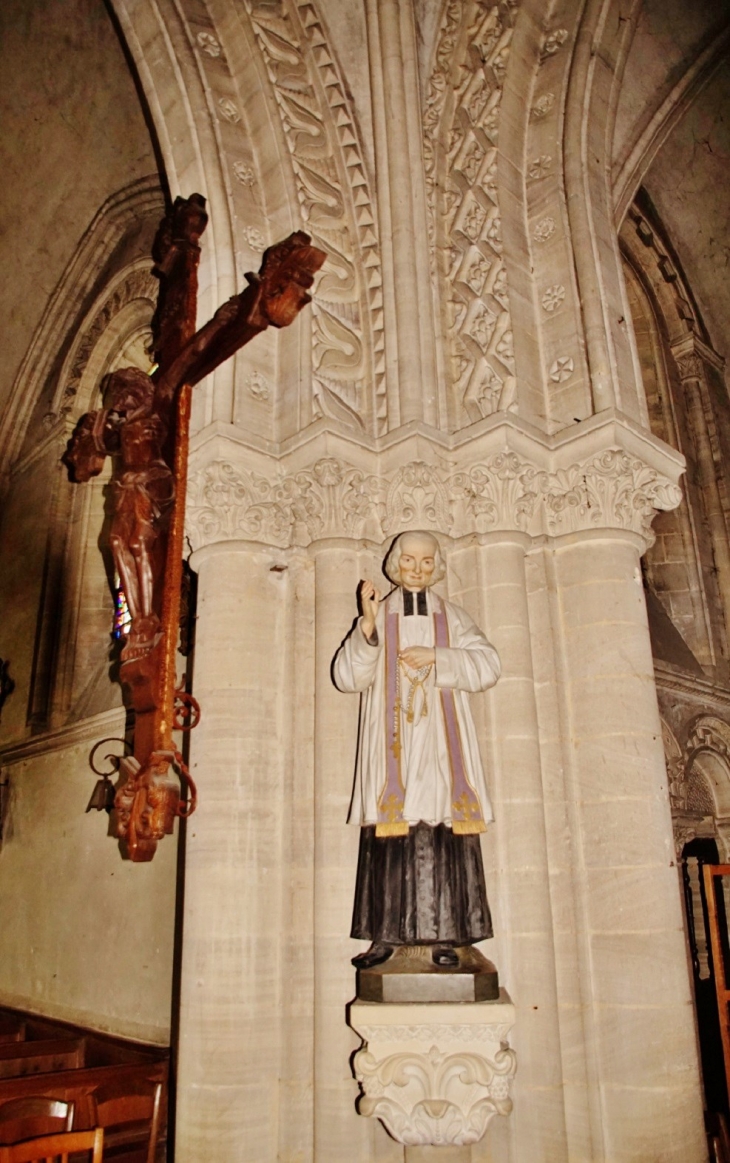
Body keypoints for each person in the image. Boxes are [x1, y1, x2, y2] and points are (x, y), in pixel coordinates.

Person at [333, 530, 501, 969]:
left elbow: (489, 665)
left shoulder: (453, 616)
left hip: (442, 743)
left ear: (437, 565)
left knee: (441, 831)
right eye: (409, 560)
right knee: (391, 836)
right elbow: (347, 678)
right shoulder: (379, 614)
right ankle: (384, 938)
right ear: (395, 563)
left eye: (427, 562)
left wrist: (440, 657)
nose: (417, 569)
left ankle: (449, 935)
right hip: (392, 741)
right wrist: (367, 629)